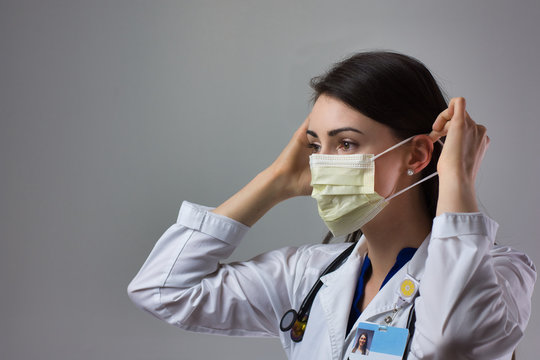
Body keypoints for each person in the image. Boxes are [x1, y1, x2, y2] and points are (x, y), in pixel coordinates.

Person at [127, 51, 536, 359]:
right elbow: (163, 290)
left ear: (416, 156)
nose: (322, 164)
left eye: (345, 143)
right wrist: (274, 181)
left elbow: (453, 338)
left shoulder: (501, 274)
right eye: (314, 146)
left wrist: (457, 181)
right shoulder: (307, 275)